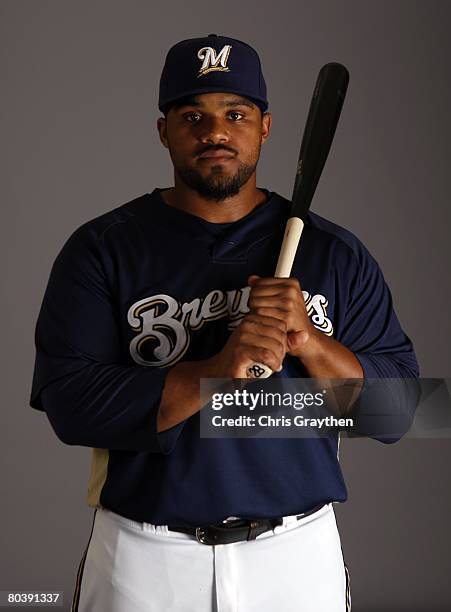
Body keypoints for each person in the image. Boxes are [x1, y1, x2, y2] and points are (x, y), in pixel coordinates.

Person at [30, 34, 419, 612]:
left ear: (264, 126)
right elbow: (71, 406)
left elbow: (400, 413)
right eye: (193, 116)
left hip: (296, 556)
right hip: (146, 557)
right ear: (164, 132)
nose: (215, 132)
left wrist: (309, 343)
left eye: (235, 114)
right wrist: (216, 370)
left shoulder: (334, 253)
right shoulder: (103, 250)